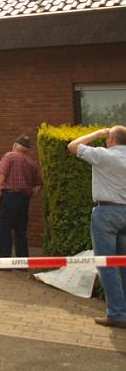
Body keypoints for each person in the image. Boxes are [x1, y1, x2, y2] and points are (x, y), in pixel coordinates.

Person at [67, 126, 126, 328]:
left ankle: (117, 313)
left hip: (106, 213)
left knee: (106, 264)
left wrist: (97, 134)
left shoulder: (104, 155)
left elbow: (73, 146)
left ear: (111, 140)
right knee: (123, 263)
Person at [0, 134, 43, 259]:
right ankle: (22, 261)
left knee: (4, 229)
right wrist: (29, 196)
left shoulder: (10, 156)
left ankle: (4, 261)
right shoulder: (32, 163)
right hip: (24, 199)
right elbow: (38, 185)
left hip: (9, 197)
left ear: (15, 145)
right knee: (20, 231)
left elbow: (1, 174)